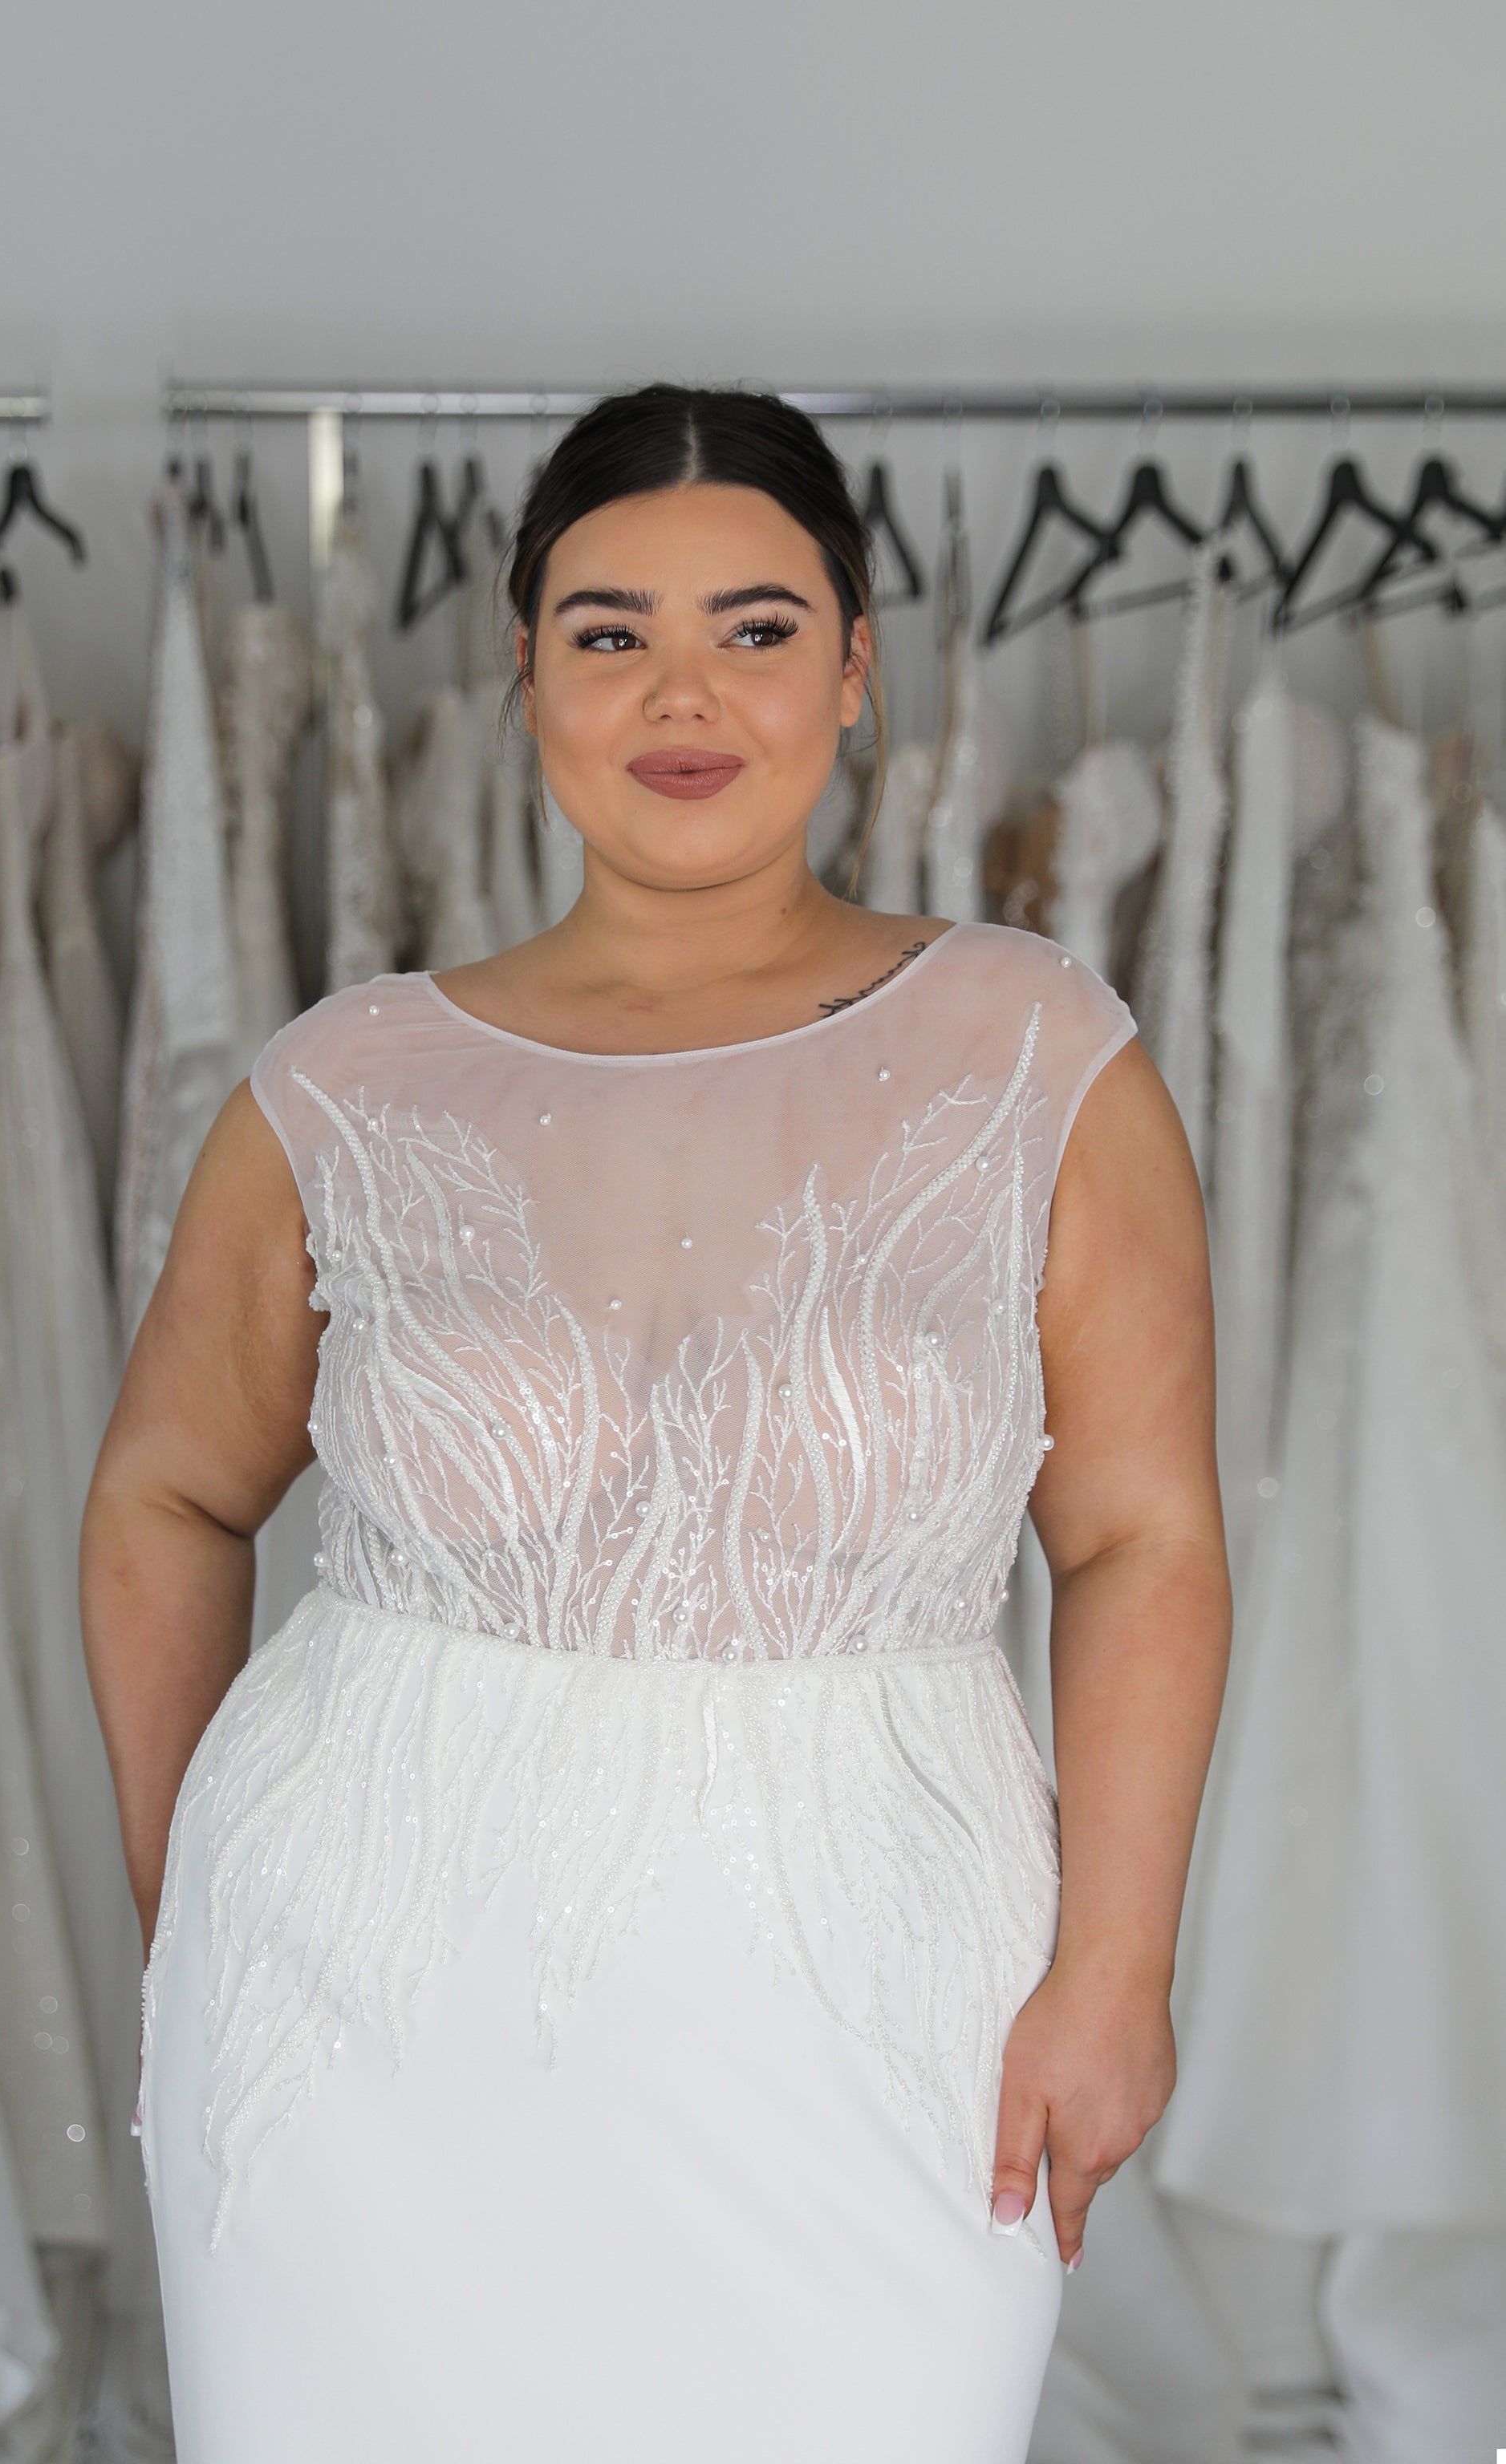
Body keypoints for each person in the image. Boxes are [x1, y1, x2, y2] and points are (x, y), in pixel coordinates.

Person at [81, 383, 1230, 2464]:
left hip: (879, 1987)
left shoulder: (1039, 1051)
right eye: (609, 630)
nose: (682, 690)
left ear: (859, 665)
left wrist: (1118, 1967)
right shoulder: (341, 1085)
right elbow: (165, 1490)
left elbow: (1141, 1535)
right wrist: (197, 1909)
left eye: (759, 626)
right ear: (524, 668)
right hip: (360, 1998)